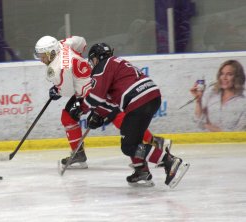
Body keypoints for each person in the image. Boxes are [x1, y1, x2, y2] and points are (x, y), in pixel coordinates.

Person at [34, 36, 172, 170]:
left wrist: (57, 91)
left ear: (51, 52)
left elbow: (67, 90)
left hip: (92, 89)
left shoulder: (56, 68)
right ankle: (79, 154)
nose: (41, 59)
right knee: (71, 116)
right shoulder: (64, 44)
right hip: (91, 83)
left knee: (115, 115)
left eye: (42, 55)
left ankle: (156, 142)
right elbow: (81, 42)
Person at [70, 43, 189, 188]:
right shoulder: (118, 63)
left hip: (138, 101)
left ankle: (169, 160)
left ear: (96, 58)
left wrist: (81, 109)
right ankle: (141, 171)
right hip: (152, 96)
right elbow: (111, 102)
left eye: (92, 59)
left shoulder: (103, 65)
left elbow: (96, 96)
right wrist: (99, 115)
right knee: (131, 135)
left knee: (128, 146)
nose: (92, 63)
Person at [190, 60, 246, 131]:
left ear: (237, 77)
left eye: (229, 74)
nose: (224, 78)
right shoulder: (210, 95)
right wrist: (198, 101)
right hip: (207, 140)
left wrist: (209, 127)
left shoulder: (243, 103)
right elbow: (198, 122)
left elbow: (239, 133)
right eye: (222, 74)